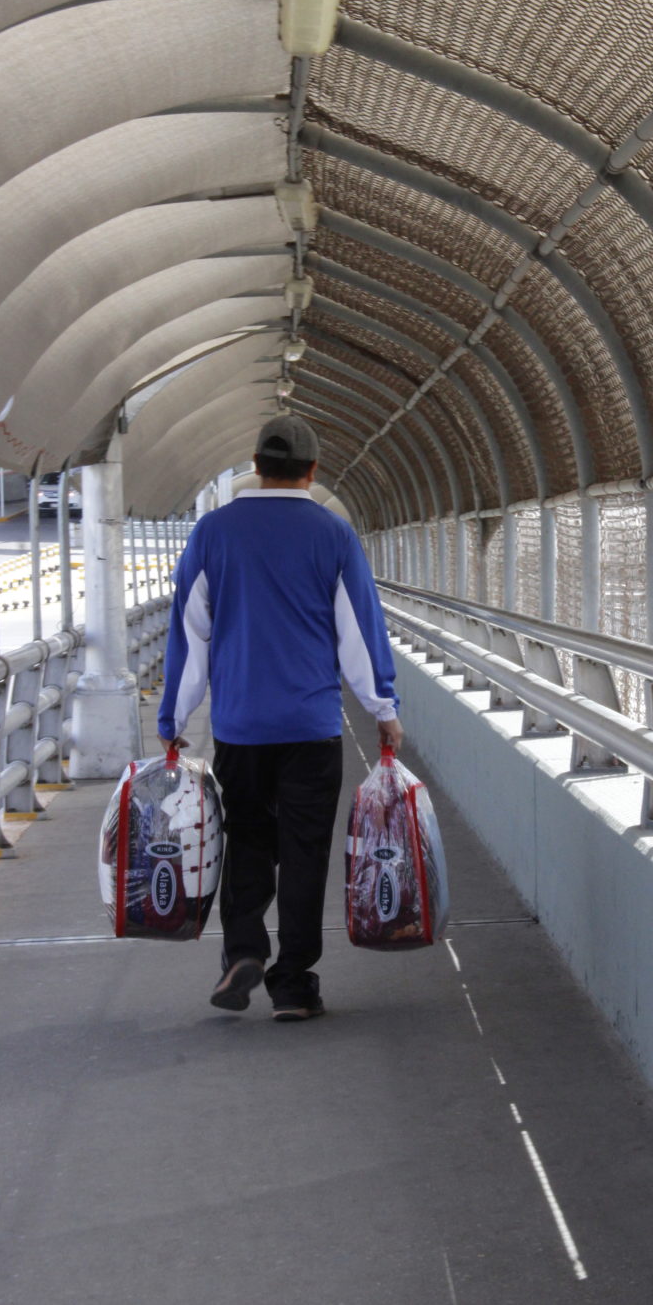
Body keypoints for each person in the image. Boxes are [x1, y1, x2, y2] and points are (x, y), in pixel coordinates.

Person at [157, 415, 403, 1021]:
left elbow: (190, 632)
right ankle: (292, 982)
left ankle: (243, 950)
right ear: (313, 471)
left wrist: (173, 715)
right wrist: (383, 708)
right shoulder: (334, 536)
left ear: (256, 465)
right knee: (303, 852)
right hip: (312, 726)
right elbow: (359, 634)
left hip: (240, 726)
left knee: (245, 839)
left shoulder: (214, 532)